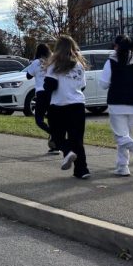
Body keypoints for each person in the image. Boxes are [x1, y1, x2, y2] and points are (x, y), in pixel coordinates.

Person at [100, 35, 133, 177]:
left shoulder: (111, 61)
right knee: (127, 134)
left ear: (116, 45)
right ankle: (123, 166)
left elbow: (103, 84)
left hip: (116, 102)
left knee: (121, 136)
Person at [46, 35, 90, 179]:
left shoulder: (54, 65)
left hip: (59, 105)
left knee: (56, 135)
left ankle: (67, 151)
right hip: (77, 105)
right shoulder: (79, 65)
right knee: (77, 139)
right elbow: (82, 86)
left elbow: (50, 86)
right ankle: (82, 170)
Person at [25, 42, 56, 152]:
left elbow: (28, 76)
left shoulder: (36, 62)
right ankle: (55, 146)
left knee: (39, 119)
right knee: (52, 118)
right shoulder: (52, 61)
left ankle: (53, 134)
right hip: (53, 93)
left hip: (41, 93)